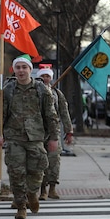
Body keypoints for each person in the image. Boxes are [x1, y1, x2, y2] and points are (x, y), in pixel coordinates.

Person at [0, 54, 60, 219]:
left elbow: (51, 115)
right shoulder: (7, 90)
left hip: (36, 138)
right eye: (18, 67)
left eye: (24, 67)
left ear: (30, 69)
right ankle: (21, 207)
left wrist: (54, 138)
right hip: (14, 138)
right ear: (14, 70)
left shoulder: (42, 90)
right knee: (16, 173)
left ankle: (32, 194)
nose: (21, 71)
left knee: (37, 172)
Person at [36, 64, 74, 200]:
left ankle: (52, 188)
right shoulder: (34, 92)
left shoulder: (57, 94)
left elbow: (64, 112)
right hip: (38, 132)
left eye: (47, 76)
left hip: (54, 132)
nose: (45, 78)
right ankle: (42, 190)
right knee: (40, 161)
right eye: (42, 76)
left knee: (54, 160)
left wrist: (69, 131)